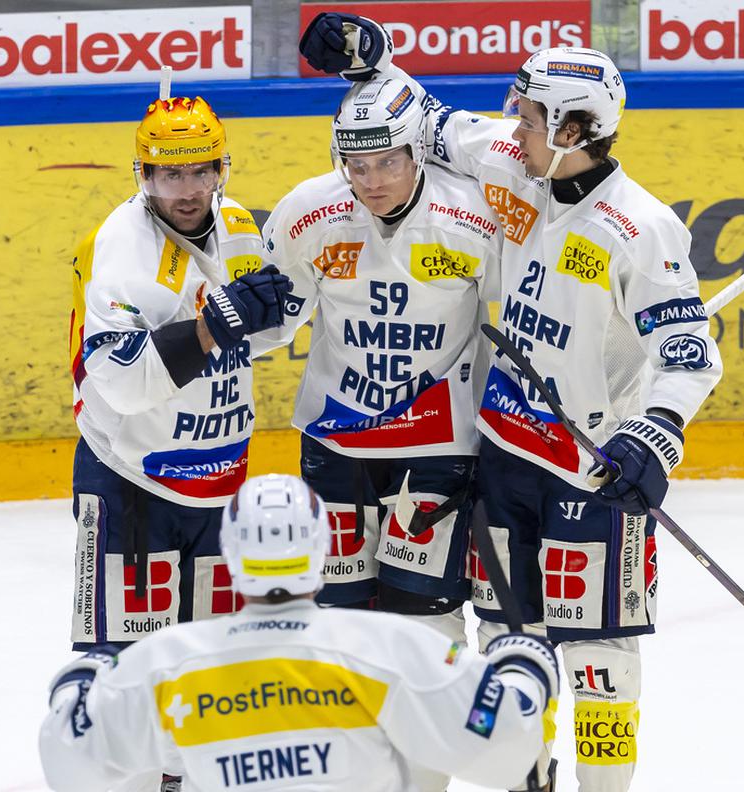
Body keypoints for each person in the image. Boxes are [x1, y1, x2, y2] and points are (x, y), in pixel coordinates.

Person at [300, 15, 724, 791]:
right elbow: (423, 120)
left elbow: (691, 357)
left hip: (591, 476)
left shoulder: (643, 228)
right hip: (502, 458)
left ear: (575, 128)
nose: (512, 125)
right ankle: (526, 779)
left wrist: (652, 438)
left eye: (528, 116)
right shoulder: (508, 161)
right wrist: (370, 59)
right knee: (505, 645)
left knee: (598, 660)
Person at [39, 474, 560, 792]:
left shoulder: (167, 663)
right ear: (321, 547)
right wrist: (525, 667)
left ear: (231, 554)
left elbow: (69, 765)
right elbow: (505, 753)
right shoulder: (391, 647)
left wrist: (81, 680)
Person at [260, 73, 502, 646]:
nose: (371, 181)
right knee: (340, 624)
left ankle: (434, 736)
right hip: (337, 443)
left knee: (425, 624)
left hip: (438, 444)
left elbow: (529, 309)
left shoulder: (471, 215)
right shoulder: (309, 211)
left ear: (418, 152)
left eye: (388, 162)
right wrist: (228, 317)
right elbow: (272, 321)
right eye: (356, 165)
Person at [67, 94, 294, 652]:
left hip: (221, 482)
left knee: (214, 663)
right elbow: (118, 382)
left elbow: (259, 333)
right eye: (170, 174)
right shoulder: (119, 253)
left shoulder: (238, 225)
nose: (189, 190)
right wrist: (213, 324)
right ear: (143, 174)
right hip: (131, 480)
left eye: (201, 171)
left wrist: (273, 307)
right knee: (124, 666)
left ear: (222, 170)